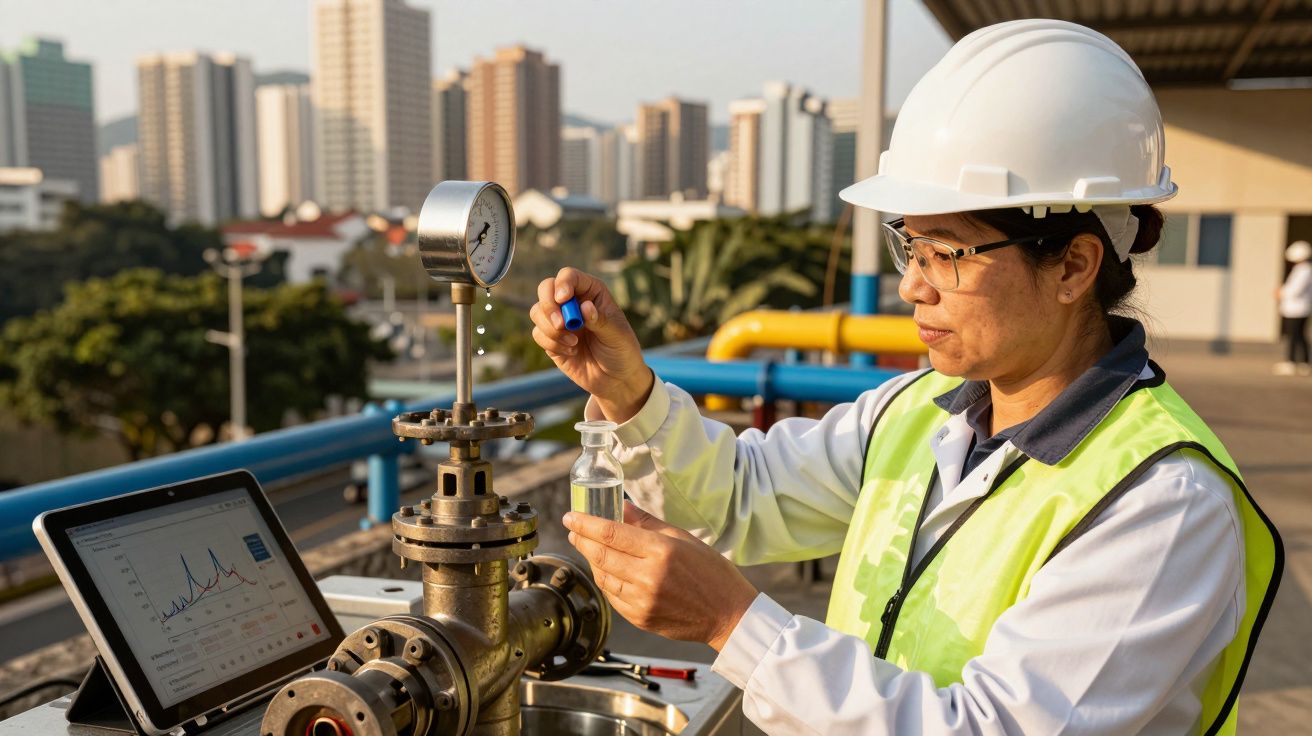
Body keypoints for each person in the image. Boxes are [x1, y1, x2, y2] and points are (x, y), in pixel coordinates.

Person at [529, 19, 1282, 736]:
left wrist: (734, 624)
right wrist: (629, 389)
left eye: (947, 254)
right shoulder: (919, 411)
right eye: (910, 248)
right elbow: (739, 498)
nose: (913, 288)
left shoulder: (1162, 504)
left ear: (1074, 266)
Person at [1275, 240, 1312, 375]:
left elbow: (1295, 290)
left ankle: (1292, 362)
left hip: (1297, 309)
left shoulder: (1304, 270)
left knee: (1294, 336)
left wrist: (1281, 292)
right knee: (1299, 336)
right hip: (1298, 308)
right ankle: (1303, 363)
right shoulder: (1303, 269)